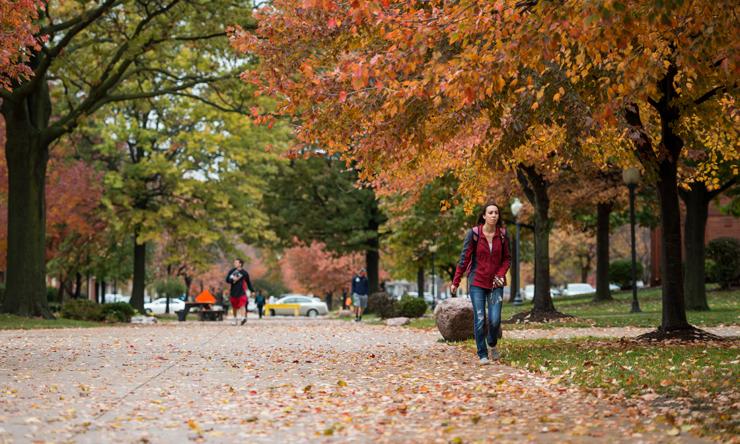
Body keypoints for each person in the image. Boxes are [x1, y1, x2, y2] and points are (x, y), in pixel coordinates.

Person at [450, 201, 511, 365]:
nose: (493, 215)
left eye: (496, 213)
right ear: (484, 216)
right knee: (479, 318)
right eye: (490, 212)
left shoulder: (503, 235)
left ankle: (492, 343)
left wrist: (500, 274)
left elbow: (507, 259)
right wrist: (456, 281)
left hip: (496, 283)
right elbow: (464, 259)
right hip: (477, 281)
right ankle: (482, 354)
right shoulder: (474, 234)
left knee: (495, 319)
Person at [225, 258, 255, 325]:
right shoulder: (232, 271)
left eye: (236, 263)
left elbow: (248, 282)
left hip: (241, 291)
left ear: (240, 264)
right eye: (234, 262)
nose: (234, 264)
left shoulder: (244, 273)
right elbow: (227, 280)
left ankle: (242, 318)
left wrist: (252, 290)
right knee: (234, 307)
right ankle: (235, 319)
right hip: (233, 291)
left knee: (242, 305)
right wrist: (233, 280)